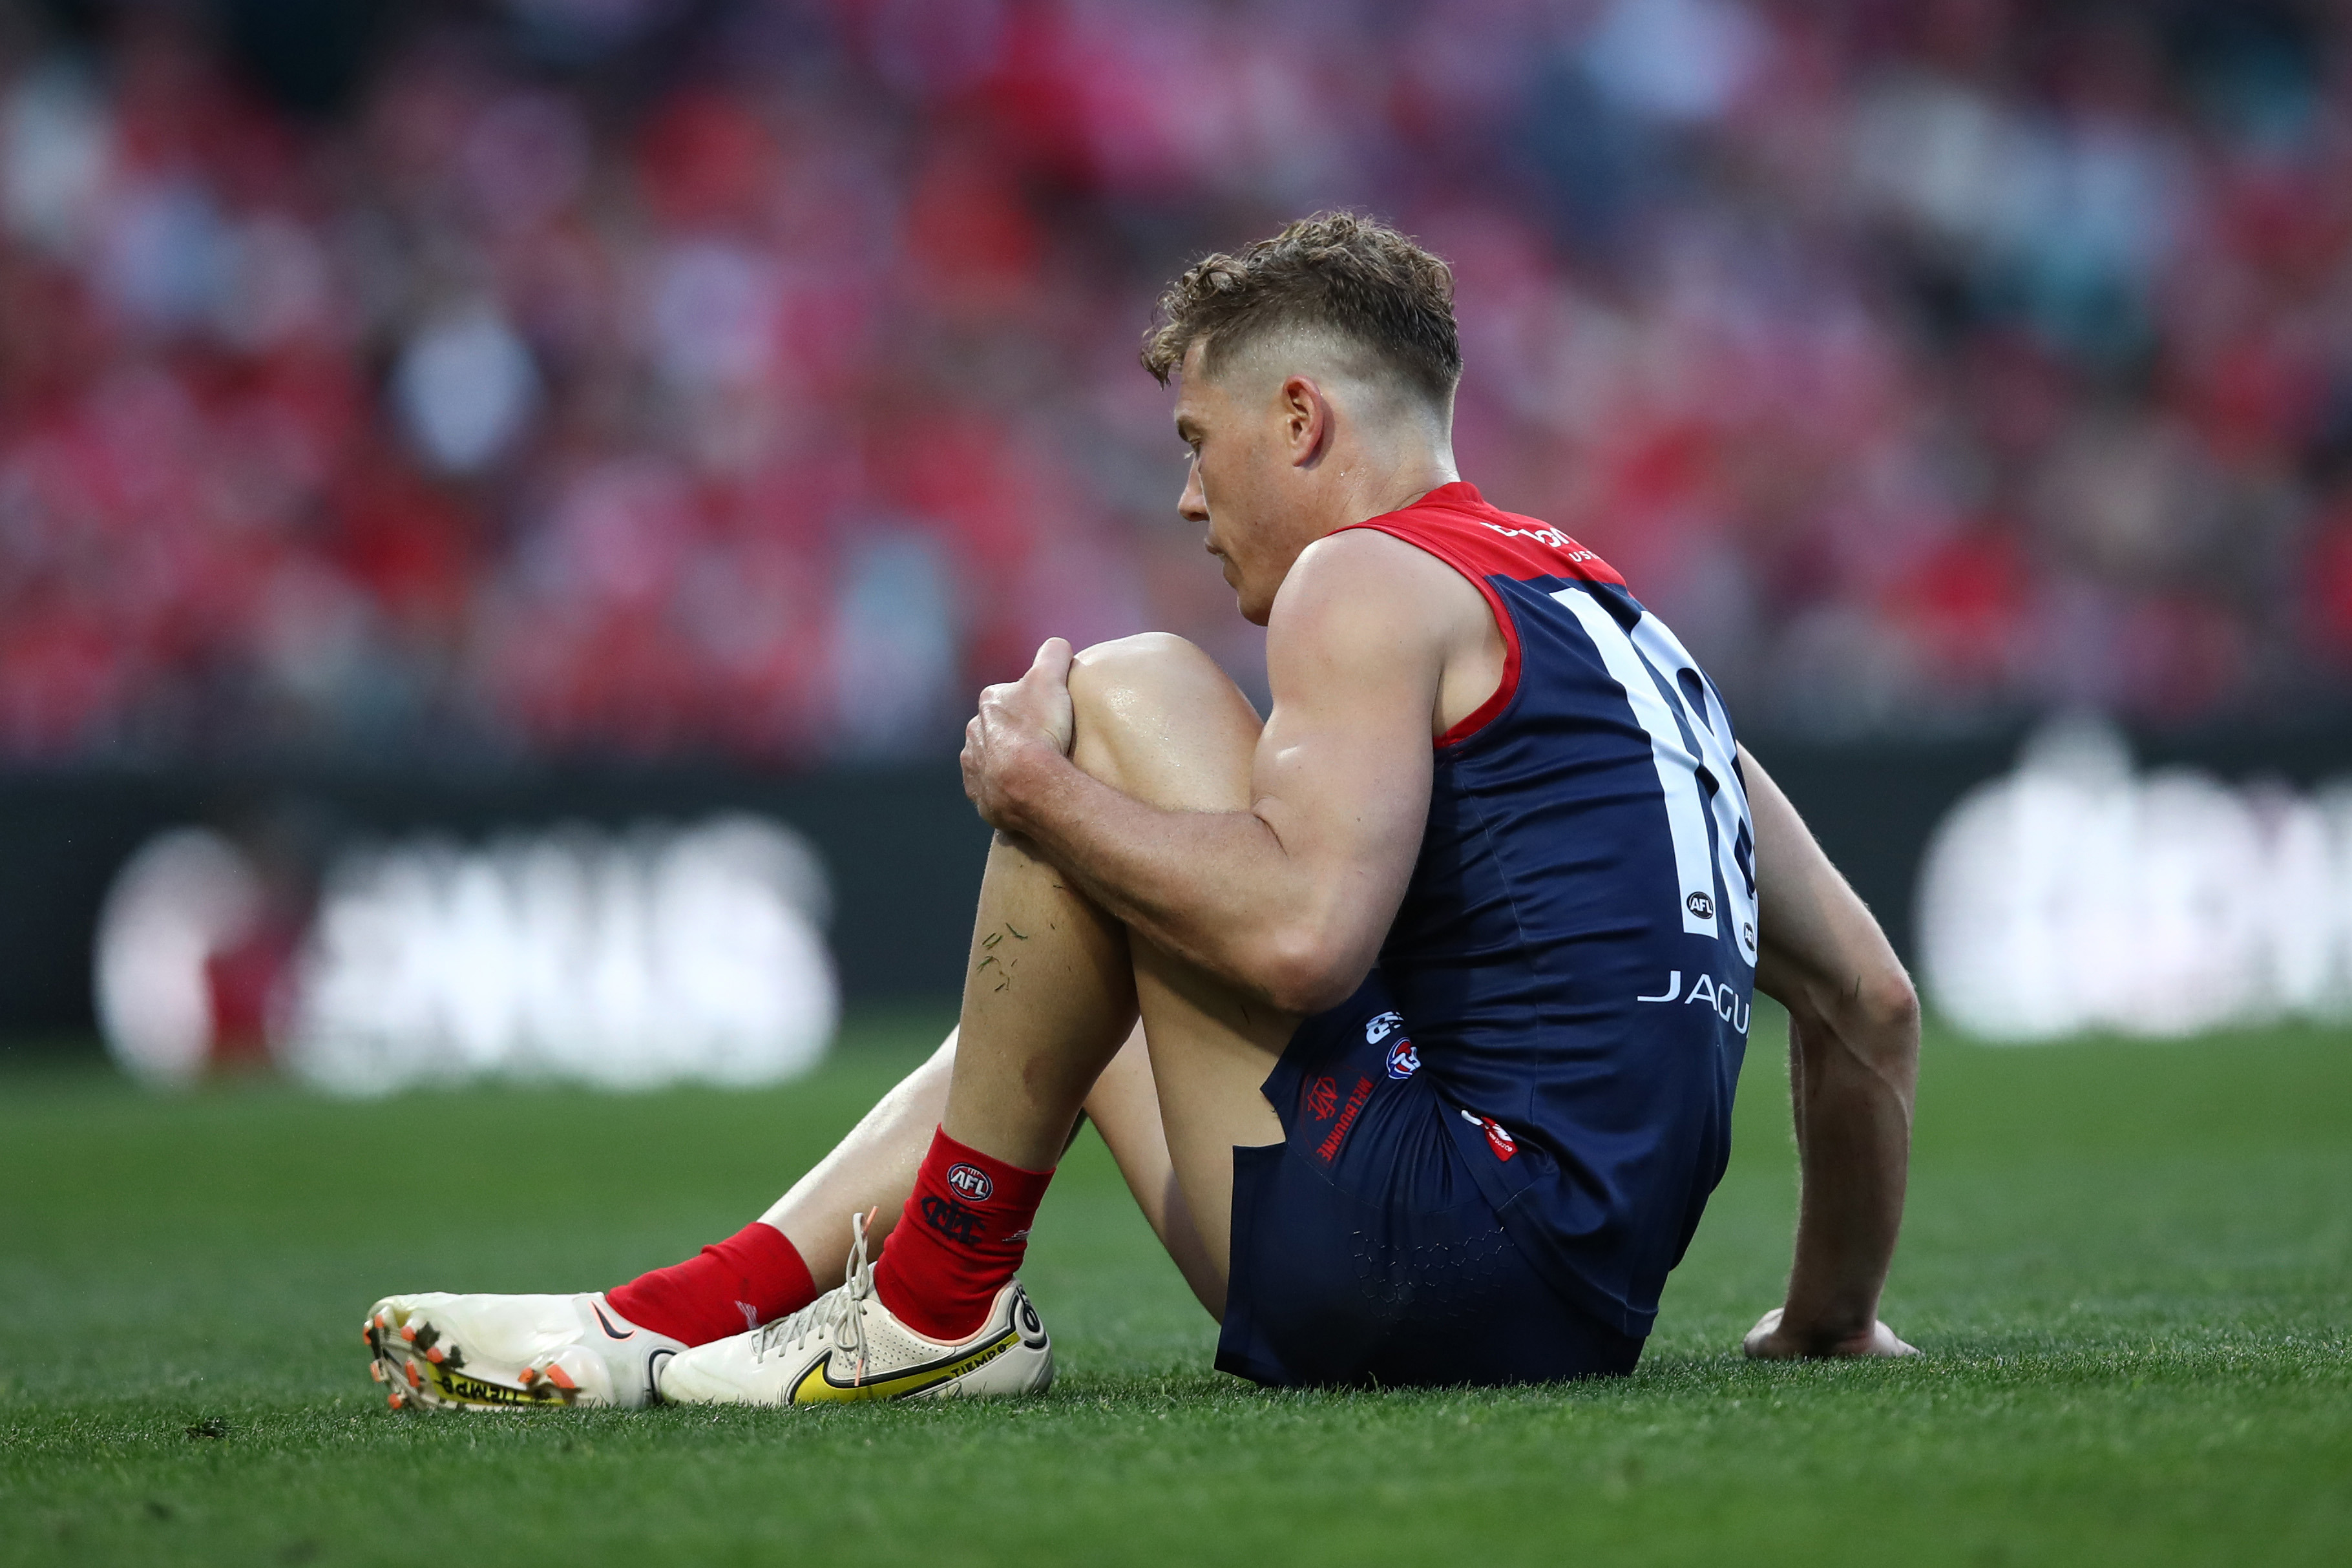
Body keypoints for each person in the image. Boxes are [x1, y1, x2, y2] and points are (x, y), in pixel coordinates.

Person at [364, 213, 1919, 1410]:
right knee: (1077, 989)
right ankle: (671, 1319)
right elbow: (1866, 1002)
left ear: (1300, 419)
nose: (1184, 496)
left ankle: (932, 1309)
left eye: (1197, 441)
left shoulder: (1365, 576)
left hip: (1432, 1261)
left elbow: (1306, 941)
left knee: (1120, 695)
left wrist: (1035, 791)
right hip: (1573, 1307)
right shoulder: (1625, 634)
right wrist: (1830, 1317)